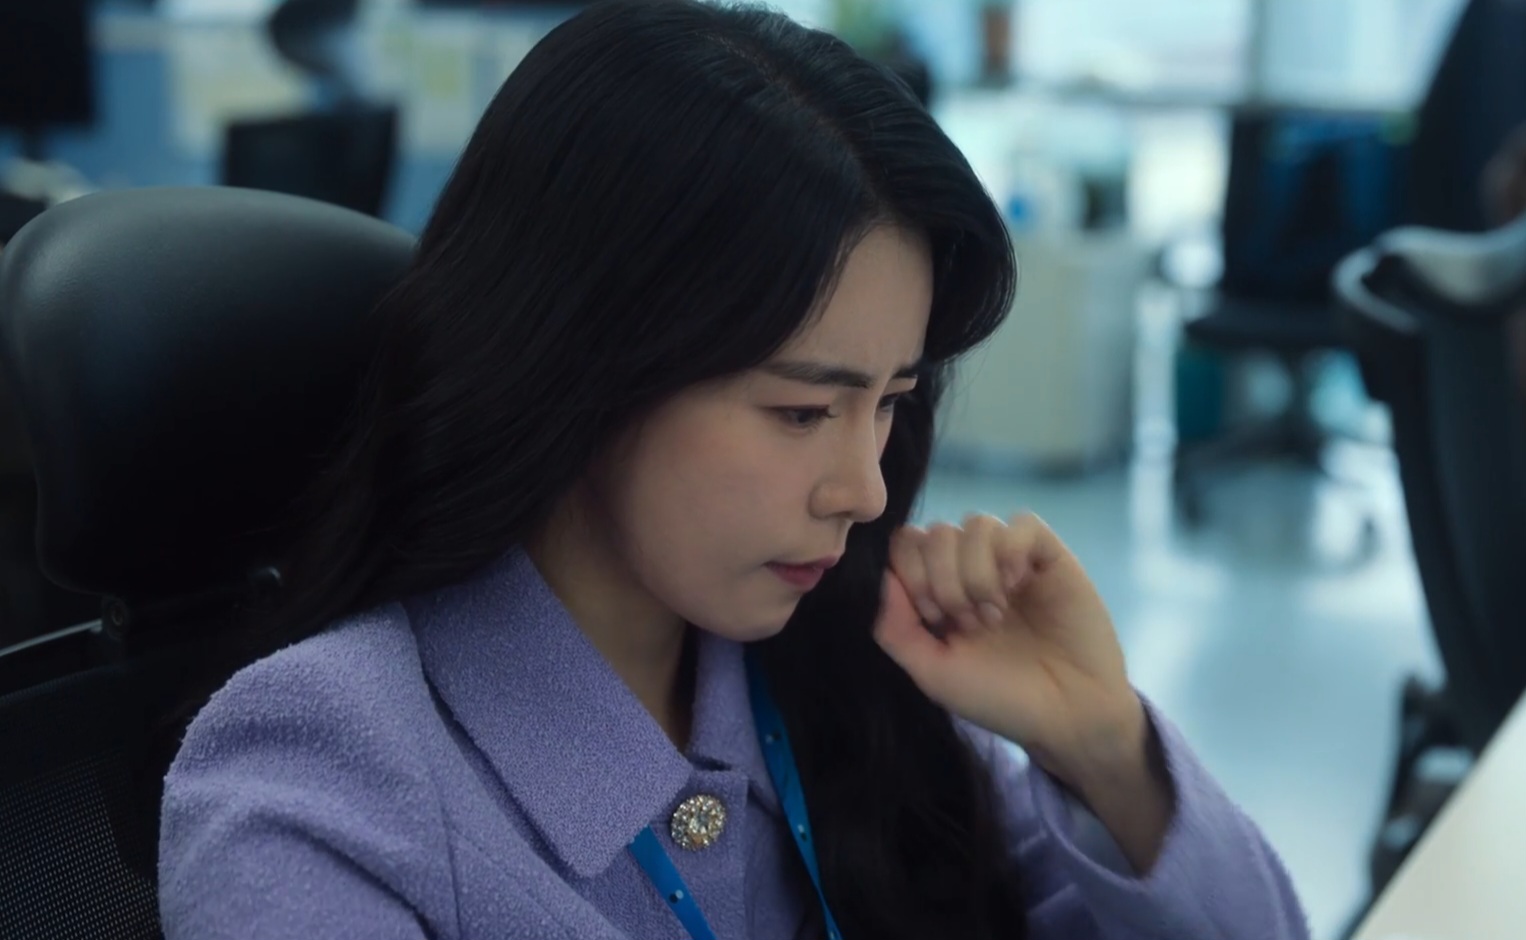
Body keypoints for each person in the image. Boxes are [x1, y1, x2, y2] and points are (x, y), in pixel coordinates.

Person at [157, 3, 1310, 938]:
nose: (863, 491)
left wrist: (1101, 748)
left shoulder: (844, 677)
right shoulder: (328, 772)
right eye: (801, 409)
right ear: (578, 365)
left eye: (889, 403)